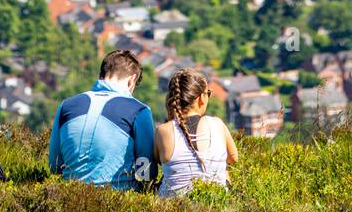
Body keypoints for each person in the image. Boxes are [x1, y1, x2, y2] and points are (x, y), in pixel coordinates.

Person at [48, 49, 155, 191]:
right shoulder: (140, 111)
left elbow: (54, 165)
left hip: (68, 194)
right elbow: (146, 173)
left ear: (100, 76)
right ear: (131, 81)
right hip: (119, 199)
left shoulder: (66, 105)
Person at [155, 69, 238, 197]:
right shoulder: (218, 124)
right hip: (214, 205)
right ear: (201, 98)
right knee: (225, 171)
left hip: (172, 209)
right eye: (208, 93)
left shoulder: (163, 131)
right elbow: (233, 159)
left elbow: (156, 159)